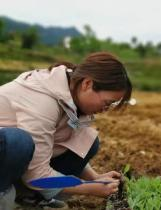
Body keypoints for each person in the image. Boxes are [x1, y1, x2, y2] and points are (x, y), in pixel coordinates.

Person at [0, 52, 132, 209]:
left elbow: (61, 146)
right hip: (10, 150)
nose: (106, 109)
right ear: (87, 84)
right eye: (107, 102)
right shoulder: (43, 102)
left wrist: (94, 177)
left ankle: (30, 198)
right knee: (18, 142)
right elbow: (37, 175)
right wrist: (88, 187)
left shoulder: (69, 96)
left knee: (86, 143)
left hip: (13, 163)